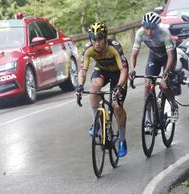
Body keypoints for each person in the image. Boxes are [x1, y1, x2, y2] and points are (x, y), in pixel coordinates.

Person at [76, 22, 129, 157]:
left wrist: (119, 85)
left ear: (105, 38)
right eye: (93, 39)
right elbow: (83, 70)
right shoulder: (88, 49)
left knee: (116, 106)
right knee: (94, 87)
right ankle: (96, 124)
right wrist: (80, 86)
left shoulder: (114, 48)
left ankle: (122, 140)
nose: (97, 43)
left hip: (118, 73)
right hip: (103, 71)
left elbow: (124, 70)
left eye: (99, 39)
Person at [129, 12, 179, 119]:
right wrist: (133, 69)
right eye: (146, 28)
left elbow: (171, 56)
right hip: (154, 56)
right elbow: (134, 54)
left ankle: (173, 104)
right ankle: (148, 119)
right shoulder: (140, 33)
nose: (149, 31)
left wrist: (166, 72)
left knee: (164, 85)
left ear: (157, 27)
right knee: (147, 84)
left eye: (152, 28)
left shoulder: (165, 33)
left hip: (168, 57)